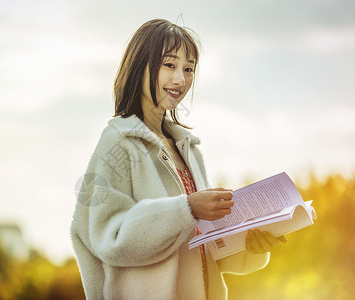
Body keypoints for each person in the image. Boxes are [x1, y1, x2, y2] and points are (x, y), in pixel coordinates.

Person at [71, 18, 285, 300]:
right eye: (169, 65)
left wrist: (248, 244)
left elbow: (201, 245)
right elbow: (110, 239)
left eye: (188, 69)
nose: (180, 80)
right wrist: (186, 209)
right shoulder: (118, 142)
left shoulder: (188, 148)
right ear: (140, 67)